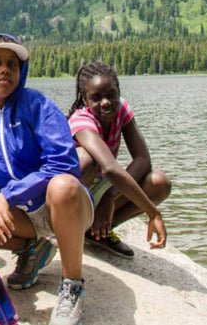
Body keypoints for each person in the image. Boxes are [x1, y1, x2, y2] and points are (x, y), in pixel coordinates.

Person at [0, 34, 99, 325]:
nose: (5, 70)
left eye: (12, 64)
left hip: (60, 207)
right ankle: (31, 247)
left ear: (21, 70)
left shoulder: (37, 104)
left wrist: (8, 195)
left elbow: (63, 163)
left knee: (63, 185)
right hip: (20, 216)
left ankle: (72, 287)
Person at [68, 62, 170, 259]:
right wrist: (153, 213)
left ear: (118, 92)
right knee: (86, 161)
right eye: (96, 98)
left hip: (104, 185)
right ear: (84, 99)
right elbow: (109, 168)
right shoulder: (81, 121)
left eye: (111, 95)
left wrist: (110, 197)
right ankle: (67, 228)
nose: (106, 102)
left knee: (159, 183)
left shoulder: (121, 108)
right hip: (79, 189)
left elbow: (142, 159)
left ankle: (99, 232)